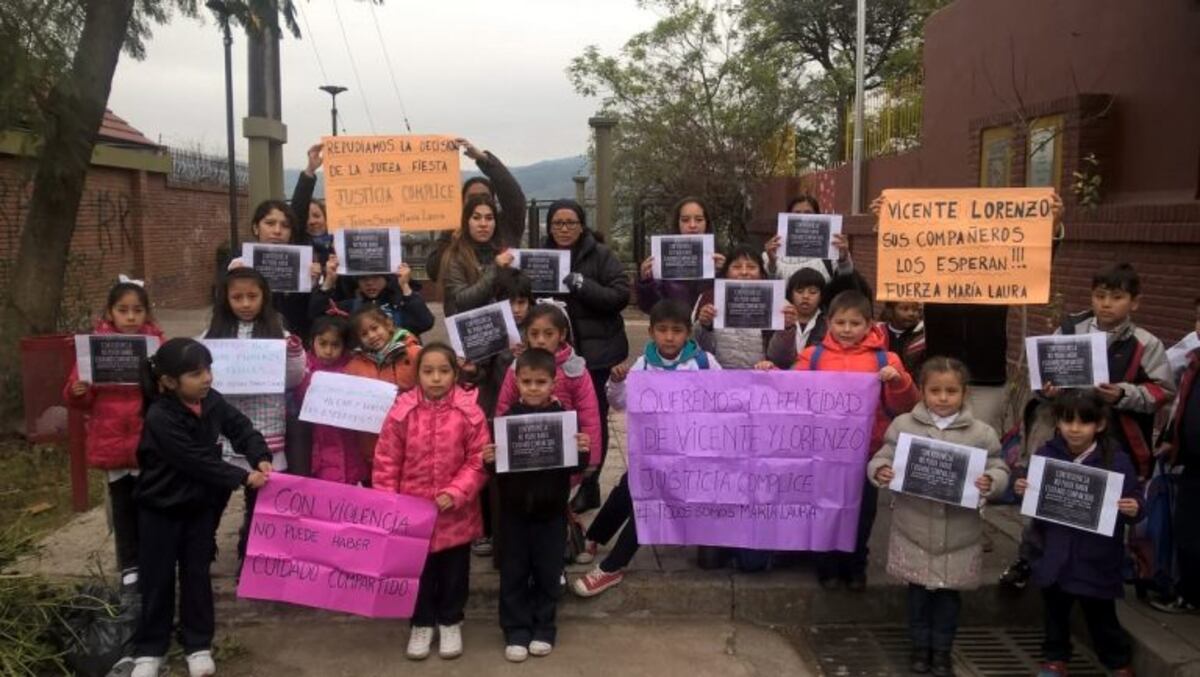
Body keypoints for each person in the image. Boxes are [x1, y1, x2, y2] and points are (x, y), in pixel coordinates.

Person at [1002, 263, 1175, 589]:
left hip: (1117, 436)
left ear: (1134, 302)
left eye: (1117, 297)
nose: (1106, 304)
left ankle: (1102, 570)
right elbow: (1042, 376)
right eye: (1100, 296)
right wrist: (1046, 390)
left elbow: (1162, 391)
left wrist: (1123, 393)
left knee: (1104, 503)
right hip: (1065, 432)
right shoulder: (1069, 330)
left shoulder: (1145, 343)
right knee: (1050, 496)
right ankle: (1031, 559)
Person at [129, 338, 272, 677]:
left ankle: (197, 644)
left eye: (208, 370)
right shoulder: (160, 416)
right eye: (195, 373)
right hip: (159, 508)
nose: (206, 378)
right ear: (168, 381)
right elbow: (193, 460)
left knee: (196, 575)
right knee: (157, 577)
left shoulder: (212, 402)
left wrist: (260, 456)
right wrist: (242, 477)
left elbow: (241, 427)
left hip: (199, 508)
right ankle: (150, 649)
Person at [868, 357, 1008, 676]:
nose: (943, 398)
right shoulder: (903, 426)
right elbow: (882, 456)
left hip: (960, 534)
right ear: (922, 391)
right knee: (917, 597)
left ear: (964, 393)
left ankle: (942, 652)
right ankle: (920, 648)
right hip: (913, 528)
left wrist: (992, 481)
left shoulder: (981, 433)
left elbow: (999, 466)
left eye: (951, 391)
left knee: (948, 600)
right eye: (935, 390)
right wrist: (882, 470)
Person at [573, 299, 721, 596]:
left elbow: (725, 398)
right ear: (652, 332)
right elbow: (619, 403)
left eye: (677, 331)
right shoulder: (642, 364)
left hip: (688, 458)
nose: (669, 337)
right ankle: (595, 536)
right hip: (651, 453)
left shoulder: (704, 363)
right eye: (663, 330)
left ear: (688, 334)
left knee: (650, 506)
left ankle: (612, 567)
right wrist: (616, 383)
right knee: (627, 489)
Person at [796, 290, 920, 589]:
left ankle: (856, 565)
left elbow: (907, 404)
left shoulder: (886, 358)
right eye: (841, 323)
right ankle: (826, 564)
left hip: (867, 450)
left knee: (862, 511)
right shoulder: (813, 356)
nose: (847, 329)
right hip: (822, 450)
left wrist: (899, 381)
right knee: (824, 507)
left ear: (869, 324)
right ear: (829, 323)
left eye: (855, 323)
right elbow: (792, 391)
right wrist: (771, 373)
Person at [373, 343, 489, 661]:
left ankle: (451, 620)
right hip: (412, 515)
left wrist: (456, 491)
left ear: (454, 373)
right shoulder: (401, 412)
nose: (435, 378)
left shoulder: (470, 412)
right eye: (428, 371)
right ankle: (421, 622)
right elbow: (386, 460)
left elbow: (479, 459)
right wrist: (389, 502)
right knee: (417, 572)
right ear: (417, 374)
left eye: (443, 371)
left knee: (454, 571)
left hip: (456, 513)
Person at [1014, 390, 1142, 677]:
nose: (1074, 429)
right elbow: (1032, 499)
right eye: (1067, 421)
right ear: (1057, 423)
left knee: (1101, 614)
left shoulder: (1116, 461)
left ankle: (1118, 663)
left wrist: (1135, 507)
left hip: (1096, 555)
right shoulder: (1047, 454)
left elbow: (1133, 498)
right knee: (1055, 611)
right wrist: (1022, 489)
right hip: (1054, 550)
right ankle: (1055, 659)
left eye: (1083, 422)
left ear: (1099, 425)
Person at [482, 348, 591, 662]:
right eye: (527, 381)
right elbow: (497, 472)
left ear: (553, 384)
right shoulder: (506, 421)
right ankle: (515, 629)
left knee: (547, 571)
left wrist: (582, 451)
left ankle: (544, 626)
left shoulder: (564, 421)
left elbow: (573, 468)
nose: (533, 387)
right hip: (514, 514)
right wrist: (489, 461)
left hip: (551, 515)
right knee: (513, 572)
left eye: (540, 382)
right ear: (516, 382)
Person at [63, 278, 165, 589]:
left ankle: (153, 558)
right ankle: (129, 564)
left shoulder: (157, 346)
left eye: (137, 310)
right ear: (111, 313)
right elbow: (77, 396)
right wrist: (78, 391)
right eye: (123, 310)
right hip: (111, 441)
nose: (131, 317)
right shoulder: (95, 349)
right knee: (122, 506)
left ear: (146, 313)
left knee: (152, 503)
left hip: (147, 440)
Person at [202, 268, 304, 560]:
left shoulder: (278, 334)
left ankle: (253, 556)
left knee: (261, 502)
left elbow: (295, 379)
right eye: (237, 297)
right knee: (213, 498)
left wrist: (293, 352)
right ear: (226, 299)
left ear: (264, 297)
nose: (245, 303)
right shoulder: (211, 335)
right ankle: (202, 546)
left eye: (252, 296)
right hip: (223, 429)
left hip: (265, 428)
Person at [540, 199, 630, 513]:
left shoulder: (601, 255)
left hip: (597, 354)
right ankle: (563, 481)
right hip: (553, 355)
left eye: (570, 223)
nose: (564, 229)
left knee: (592, 420)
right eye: (557, 224)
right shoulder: (541, 257)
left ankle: (589, 486)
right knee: (559, 417)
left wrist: (581, 284)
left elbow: (619, 296)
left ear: (582, 225)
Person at [460, 270, 534, 559]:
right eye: (508, 303)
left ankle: (515, 531)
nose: (516, 310)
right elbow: (481, 373)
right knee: (490, 472)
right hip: (492, 412)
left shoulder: (538, 327)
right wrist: (470, 370)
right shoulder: (490, 328)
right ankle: (489, 529)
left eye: (521, 302)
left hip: (529, 414)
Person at [495, 302, 602, 470]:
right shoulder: (517, 368)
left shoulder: (575, 369)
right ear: (526, 335)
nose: (541, 340)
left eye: (548, 334)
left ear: (562, 334)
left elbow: (589, 416)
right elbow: (504, 407)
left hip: (565, 459)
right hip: (524, 459)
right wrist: (502, 451)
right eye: (534, 334)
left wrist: (591, 457)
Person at [1153, 300, 1200, 614]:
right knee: (1188, 532)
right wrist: (1172, 439)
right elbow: (1184, 406)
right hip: (1193, 464)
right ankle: (1190, 594)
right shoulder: (1194, 361)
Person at [425, 139, 528, 282]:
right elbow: (434, 272)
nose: (479, 202)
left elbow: (515, 198)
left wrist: (484, 159)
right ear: (462, 203)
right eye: (472, 198)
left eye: (485, 197)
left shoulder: (507, 227)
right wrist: (451, 239)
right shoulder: (452, 232)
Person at [344, 306, 423, 474]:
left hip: (413, 442)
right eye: (364, 334)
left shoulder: (415, 354)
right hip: (374, 447)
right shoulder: (353, 367)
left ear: (388, 324)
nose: (371, 336)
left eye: (374, 328)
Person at [229, 199, 320, 341]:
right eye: (270, 223)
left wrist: (314, 284)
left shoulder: (304, 263)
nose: (277, 231)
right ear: (255, 228)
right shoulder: (238, 261)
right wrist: (231, 282)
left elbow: (311, 314)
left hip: (293, 344)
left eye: (285, 226)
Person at [295, 316, 365, 485]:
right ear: (312, 342)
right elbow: (298, 399)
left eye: (335, 345)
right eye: (323, 343)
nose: (328, 351)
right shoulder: (302, 369)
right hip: (317, 447)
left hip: (350, 447)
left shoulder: (353, 370)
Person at [766, 195, 871, 298]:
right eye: (797, 213)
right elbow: (770, 290)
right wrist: (772, 263)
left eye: (808, 213)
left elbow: (845, 282)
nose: (803, 218)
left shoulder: (831, 251)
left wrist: (843, 259)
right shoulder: (774, 252)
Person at [634, 196, 726, 313]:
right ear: (677, 223)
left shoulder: (719, 258)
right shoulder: (661, 256)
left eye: (698, 219)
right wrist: (646, 281)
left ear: (706, 223)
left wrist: (724, 273)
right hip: (674, 328)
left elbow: (727, 306)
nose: (692, 225)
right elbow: (649, 307)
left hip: (708, 329)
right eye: (685, 220)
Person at [694, 245, 776, 370]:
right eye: (737, 267)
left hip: (760, 378)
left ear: (761, 272)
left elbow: (782, 356)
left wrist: (787, 330)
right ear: (726, 271)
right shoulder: (708, 297)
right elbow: (694, 346)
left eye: (751, 267)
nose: (744, 272)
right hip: (716, 377)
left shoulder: (775, 300)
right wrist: (704, 325)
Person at [308, 259, 434, 336]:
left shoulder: (400, 304)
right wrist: (329, 281)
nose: (369, 283)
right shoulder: (350, 307)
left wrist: (405, 286)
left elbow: (426, 322)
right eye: (363, 278)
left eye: (375, 277)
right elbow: (316, 315)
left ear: (387, 278)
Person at [440, 195, 514, 318]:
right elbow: (461, 300)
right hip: (472, 329)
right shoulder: (455, 256)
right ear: (466, 221)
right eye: (476, 218)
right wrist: (495, 269)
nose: (483, 224)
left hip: (502, 328)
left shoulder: (502, 252)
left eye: (489, 218)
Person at [762, 268, 828, 370]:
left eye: (813, 292)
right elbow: (775, 358)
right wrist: (786, 328)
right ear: (791, 294)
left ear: (821, 296)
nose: (805, 296)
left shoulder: (828, 324)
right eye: (799, 291)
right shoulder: (777, 318)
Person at [290, 142, 333, 265]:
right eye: (306, 218)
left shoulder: (341, 243)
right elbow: (298, 206)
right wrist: (310, 170)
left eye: (316, 215)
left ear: (326, 218)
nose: (312, 222)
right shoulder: (298, 243)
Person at [879, 301, 926, 375]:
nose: (911, 314)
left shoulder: (922, 336)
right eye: (905, 309)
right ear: (890, 311)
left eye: (915, 310)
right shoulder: (878, 333)